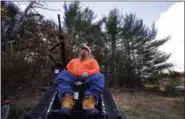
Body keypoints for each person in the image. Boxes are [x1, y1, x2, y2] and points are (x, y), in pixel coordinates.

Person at [54, 44, 105, 116]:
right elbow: (67, 69)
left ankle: (89, 103)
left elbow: (97, 70)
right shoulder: (73, 60)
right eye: (82, 49)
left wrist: (88, 73)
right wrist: (70, 74)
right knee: (62, 74)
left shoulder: (92, 61)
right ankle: (67, 102)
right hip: (72, 78)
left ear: (89, 53)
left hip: (87, 78)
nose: (84, 51)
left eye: (86, 50)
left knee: (100, 76)